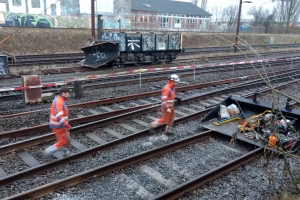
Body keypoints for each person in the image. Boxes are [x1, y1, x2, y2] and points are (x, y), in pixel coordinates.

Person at [44, 86, 72, 157]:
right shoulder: (59, 101)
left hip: (60, 124)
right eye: (68, 93)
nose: (69, 94)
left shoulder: (61, 100)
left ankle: (65, 152)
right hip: (58, 125)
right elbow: (59, 116)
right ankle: (48, 151)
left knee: (66, 138)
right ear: (63, 93)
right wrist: (66, 125)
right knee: (63, 140)